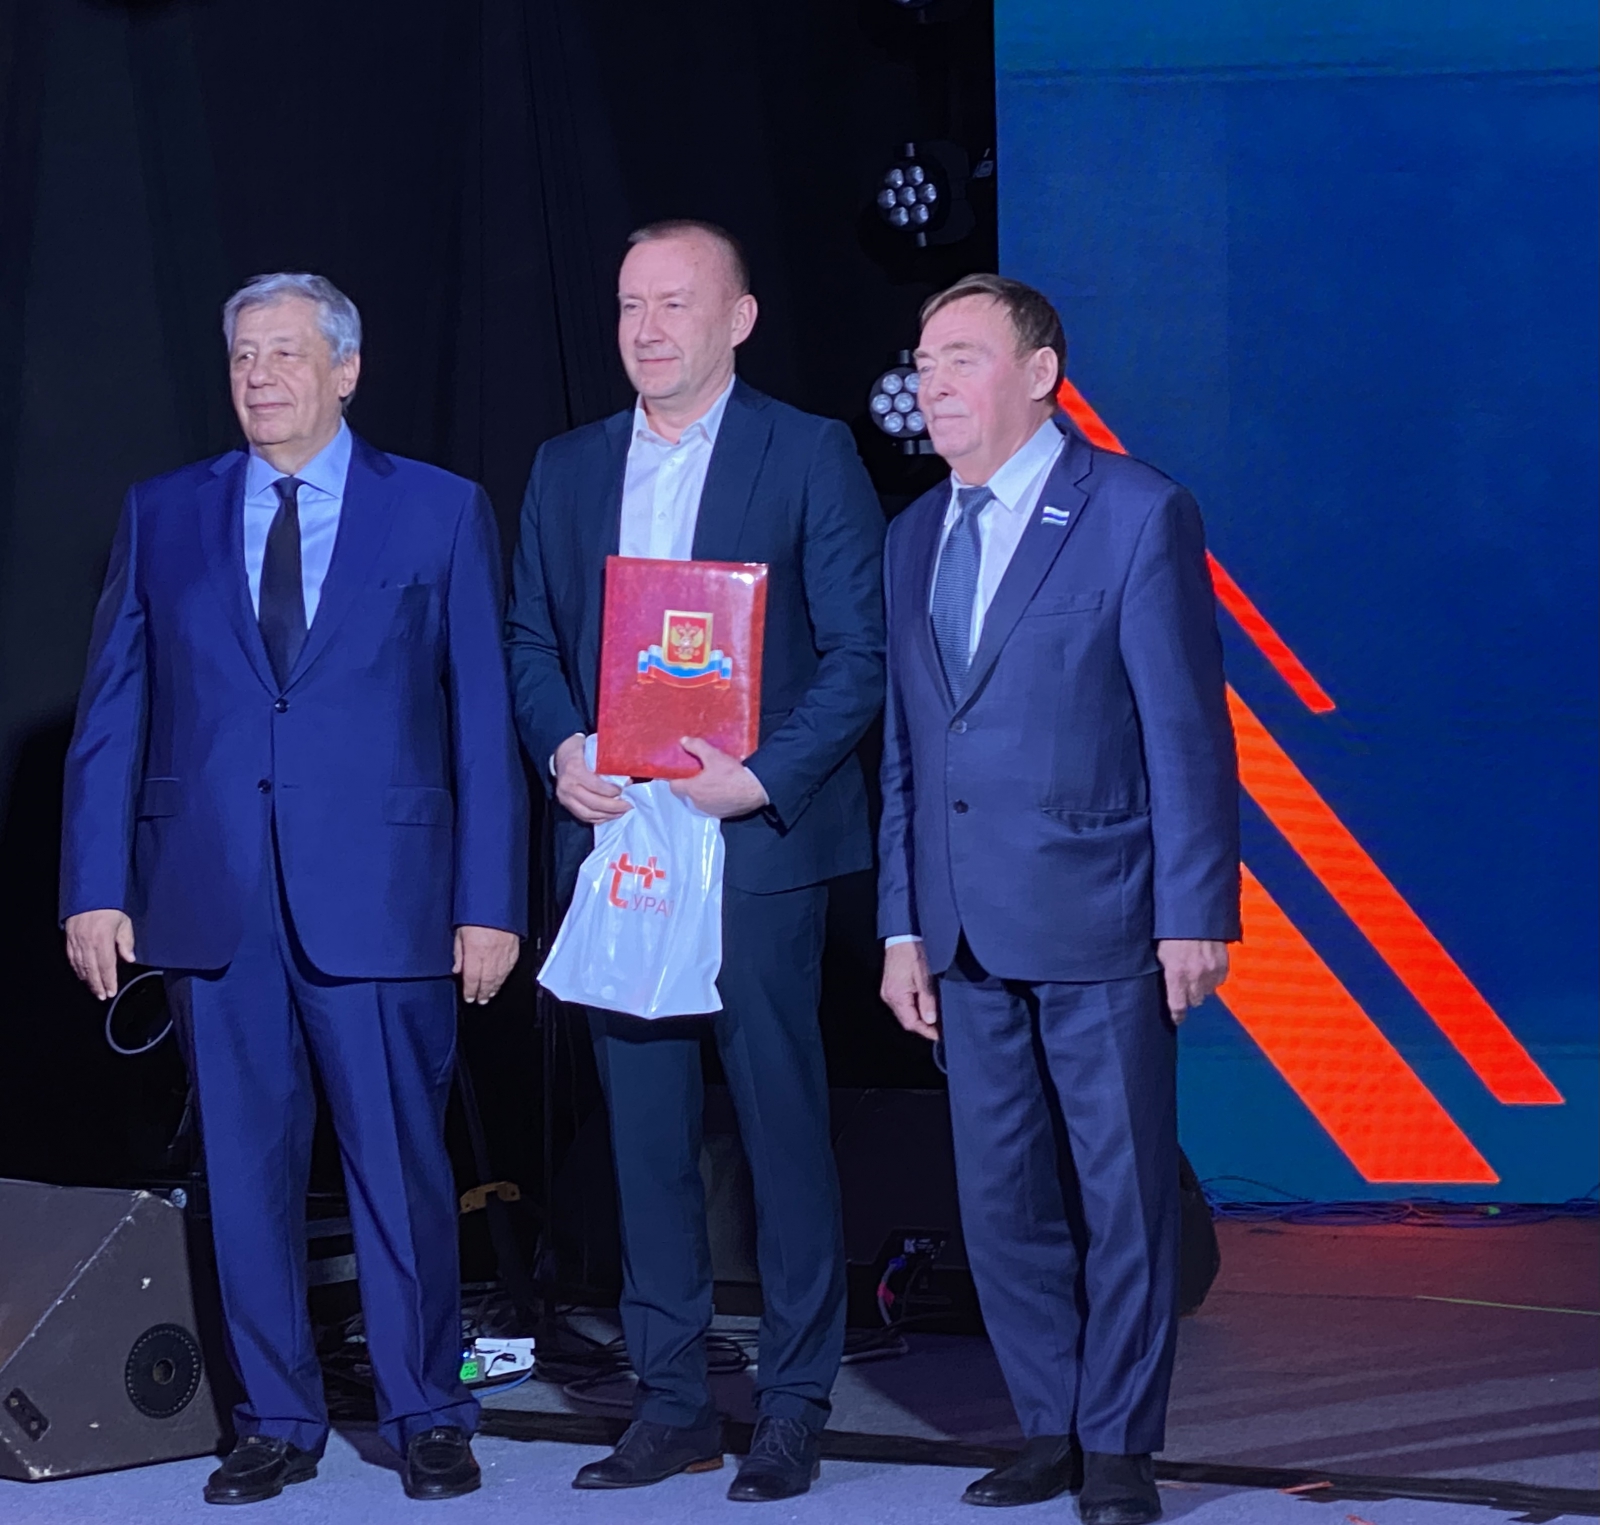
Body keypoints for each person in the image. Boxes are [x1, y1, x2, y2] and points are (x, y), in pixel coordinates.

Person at [60, 273, 527, 1506]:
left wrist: (490, 899)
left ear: (345, 371)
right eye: (242, 356)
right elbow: (112, 713)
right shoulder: (164, 512)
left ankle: (429, 1409)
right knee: (246, 1173)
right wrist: (94, 886)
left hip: (385, 898)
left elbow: (482, 719)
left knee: (400, 1170)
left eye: (284, 352)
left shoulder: (438, 510)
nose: (259, 376)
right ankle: (275, 1418)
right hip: (212, 899)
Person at [506, 220, 884, 1502]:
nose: (648, 328)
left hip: (752, 845)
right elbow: (528, 638)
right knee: (642, 1138)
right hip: (619, 846)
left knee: (780, 1130)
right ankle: (669, 1401)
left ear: (739, 318)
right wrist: (561, 745)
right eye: (630, 304)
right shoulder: (566, 466)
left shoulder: (809, 451)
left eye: (675, 302)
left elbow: (859, 657)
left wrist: (763, 776)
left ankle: (793, 1402)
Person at [877, 274, 1239, 1525]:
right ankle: (1050, 1422)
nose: (932, 382)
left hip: (1103, 911)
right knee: (999, 1196)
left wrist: (1193, 910)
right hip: (959, 926)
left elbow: (1185, 730)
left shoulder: (1134, 511)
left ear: (1039, 375)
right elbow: (907, 749)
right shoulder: (912, 534)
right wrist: (900, 924)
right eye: (924, 360)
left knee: (1121, 1190)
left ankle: (1120, 1442)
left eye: (961, 357)